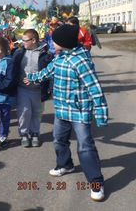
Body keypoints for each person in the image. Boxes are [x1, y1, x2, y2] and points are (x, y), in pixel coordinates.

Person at [24, 24, 108, 202]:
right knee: (58, 139)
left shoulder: (81, 61)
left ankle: (96, 183)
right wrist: (31, 78)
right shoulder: (60, 57)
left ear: (64, 43)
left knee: (85, 146)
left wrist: (100, 114)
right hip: (62, 110)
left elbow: (95, 88)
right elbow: (47, 72)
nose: (51, 43)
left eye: (54, 40)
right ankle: (65, 165)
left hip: (79, 111)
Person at [13, 29, 53, 147]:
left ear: (33, 40)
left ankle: (35, 133)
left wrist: (49, 88)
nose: (23, 42)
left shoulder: (45, 55)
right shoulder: (19, 52)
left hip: (38, 90)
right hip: (23, 89)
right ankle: (24, 134)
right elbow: (12, 68)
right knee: (24, 112)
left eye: (25, 40)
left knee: (37, 113)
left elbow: (50, 73)